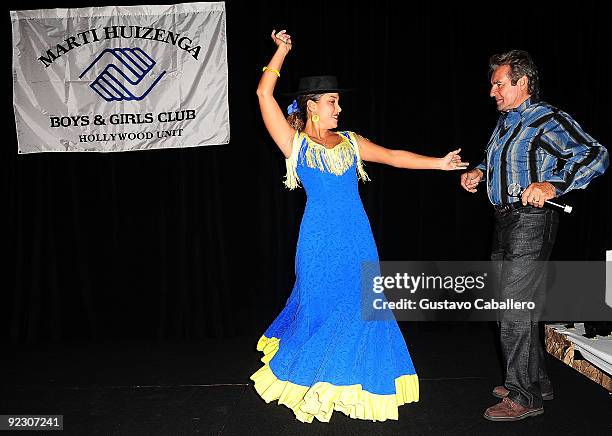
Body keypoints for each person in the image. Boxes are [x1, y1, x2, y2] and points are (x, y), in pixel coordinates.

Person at [249, 29, 468, 424]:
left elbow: (393, 156)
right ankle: (316, 381)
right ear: (312, 106)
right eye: (332, 102)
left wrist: (439, 163)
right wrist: (280, 52)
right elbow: (265, 95)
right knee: (319, 309)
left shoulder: (350, 141)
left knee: (364, 309)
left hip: (357, 239)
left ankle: (357, 384)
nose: (338, 109)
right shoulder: (293, 143)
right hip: (317, 241)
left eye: (338, 102)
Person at [460, 50, 608, 421]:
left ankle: (524, 397)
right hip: (505, 220)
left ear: (521, 82)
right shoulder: (506, 121)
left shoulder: (547, 118)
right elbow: (496, 159)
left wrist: (552, 185)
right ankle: (536, 381)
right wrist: (479, 172)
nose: (492, 91)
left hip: (531, 221)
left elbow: (596, 154)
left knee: (514, 307)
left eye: (498, 83)